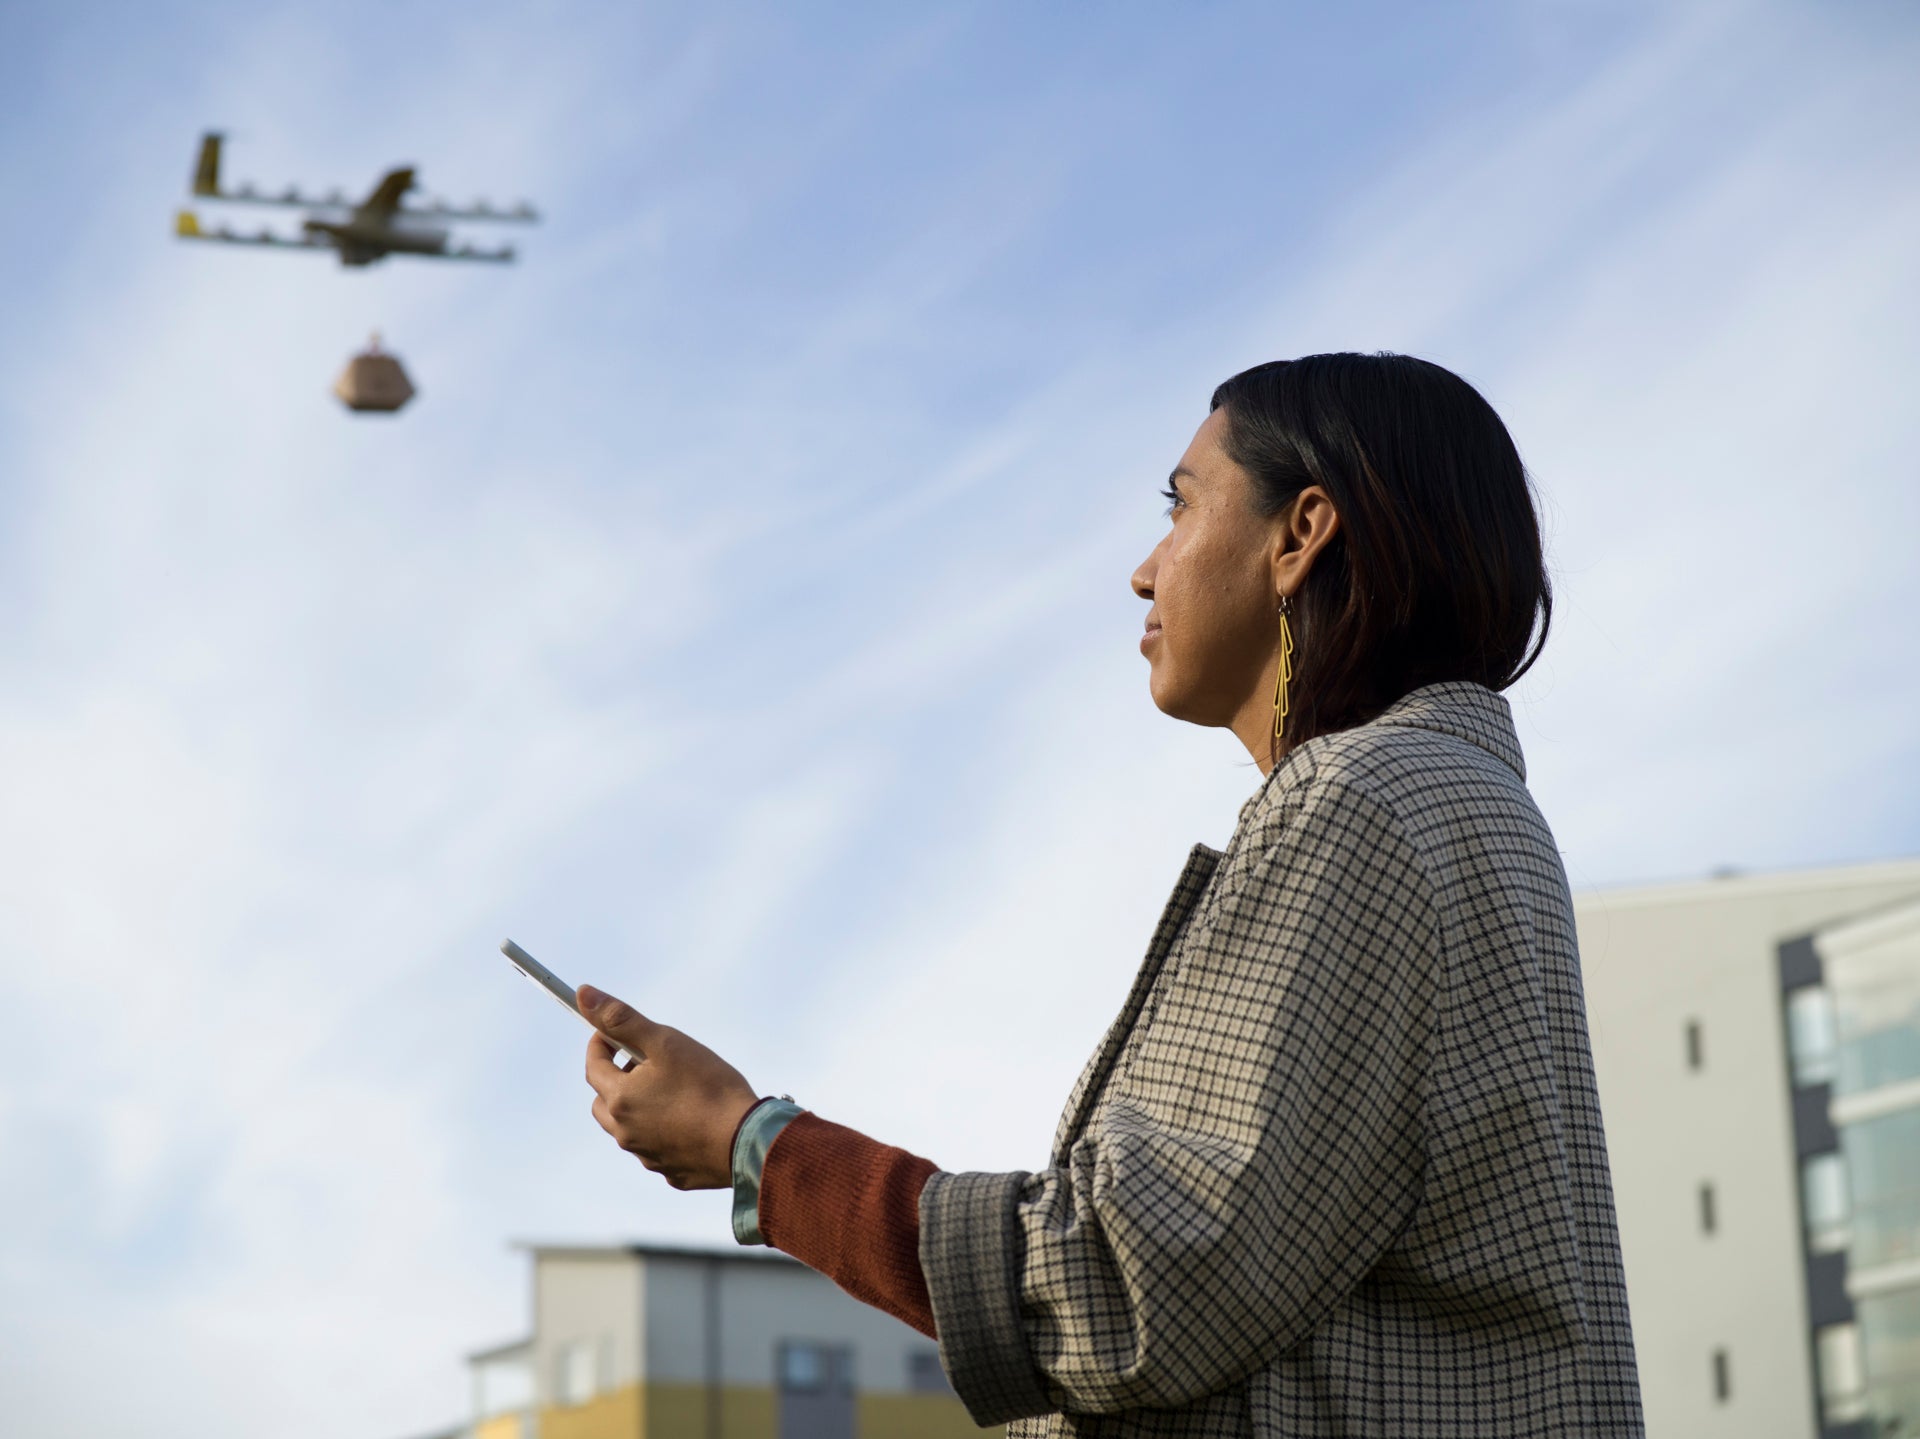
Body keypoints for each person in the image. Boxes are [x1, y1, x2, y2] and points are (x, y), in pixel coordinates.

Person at [575, 352, 1645, 1438]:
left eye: (1180, 506)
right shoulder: (1453, 806)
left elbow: (1129, 1282)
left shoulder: (1361, 798)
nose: (1144, 570)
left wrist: (755, 1145)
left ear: (1299, 533)